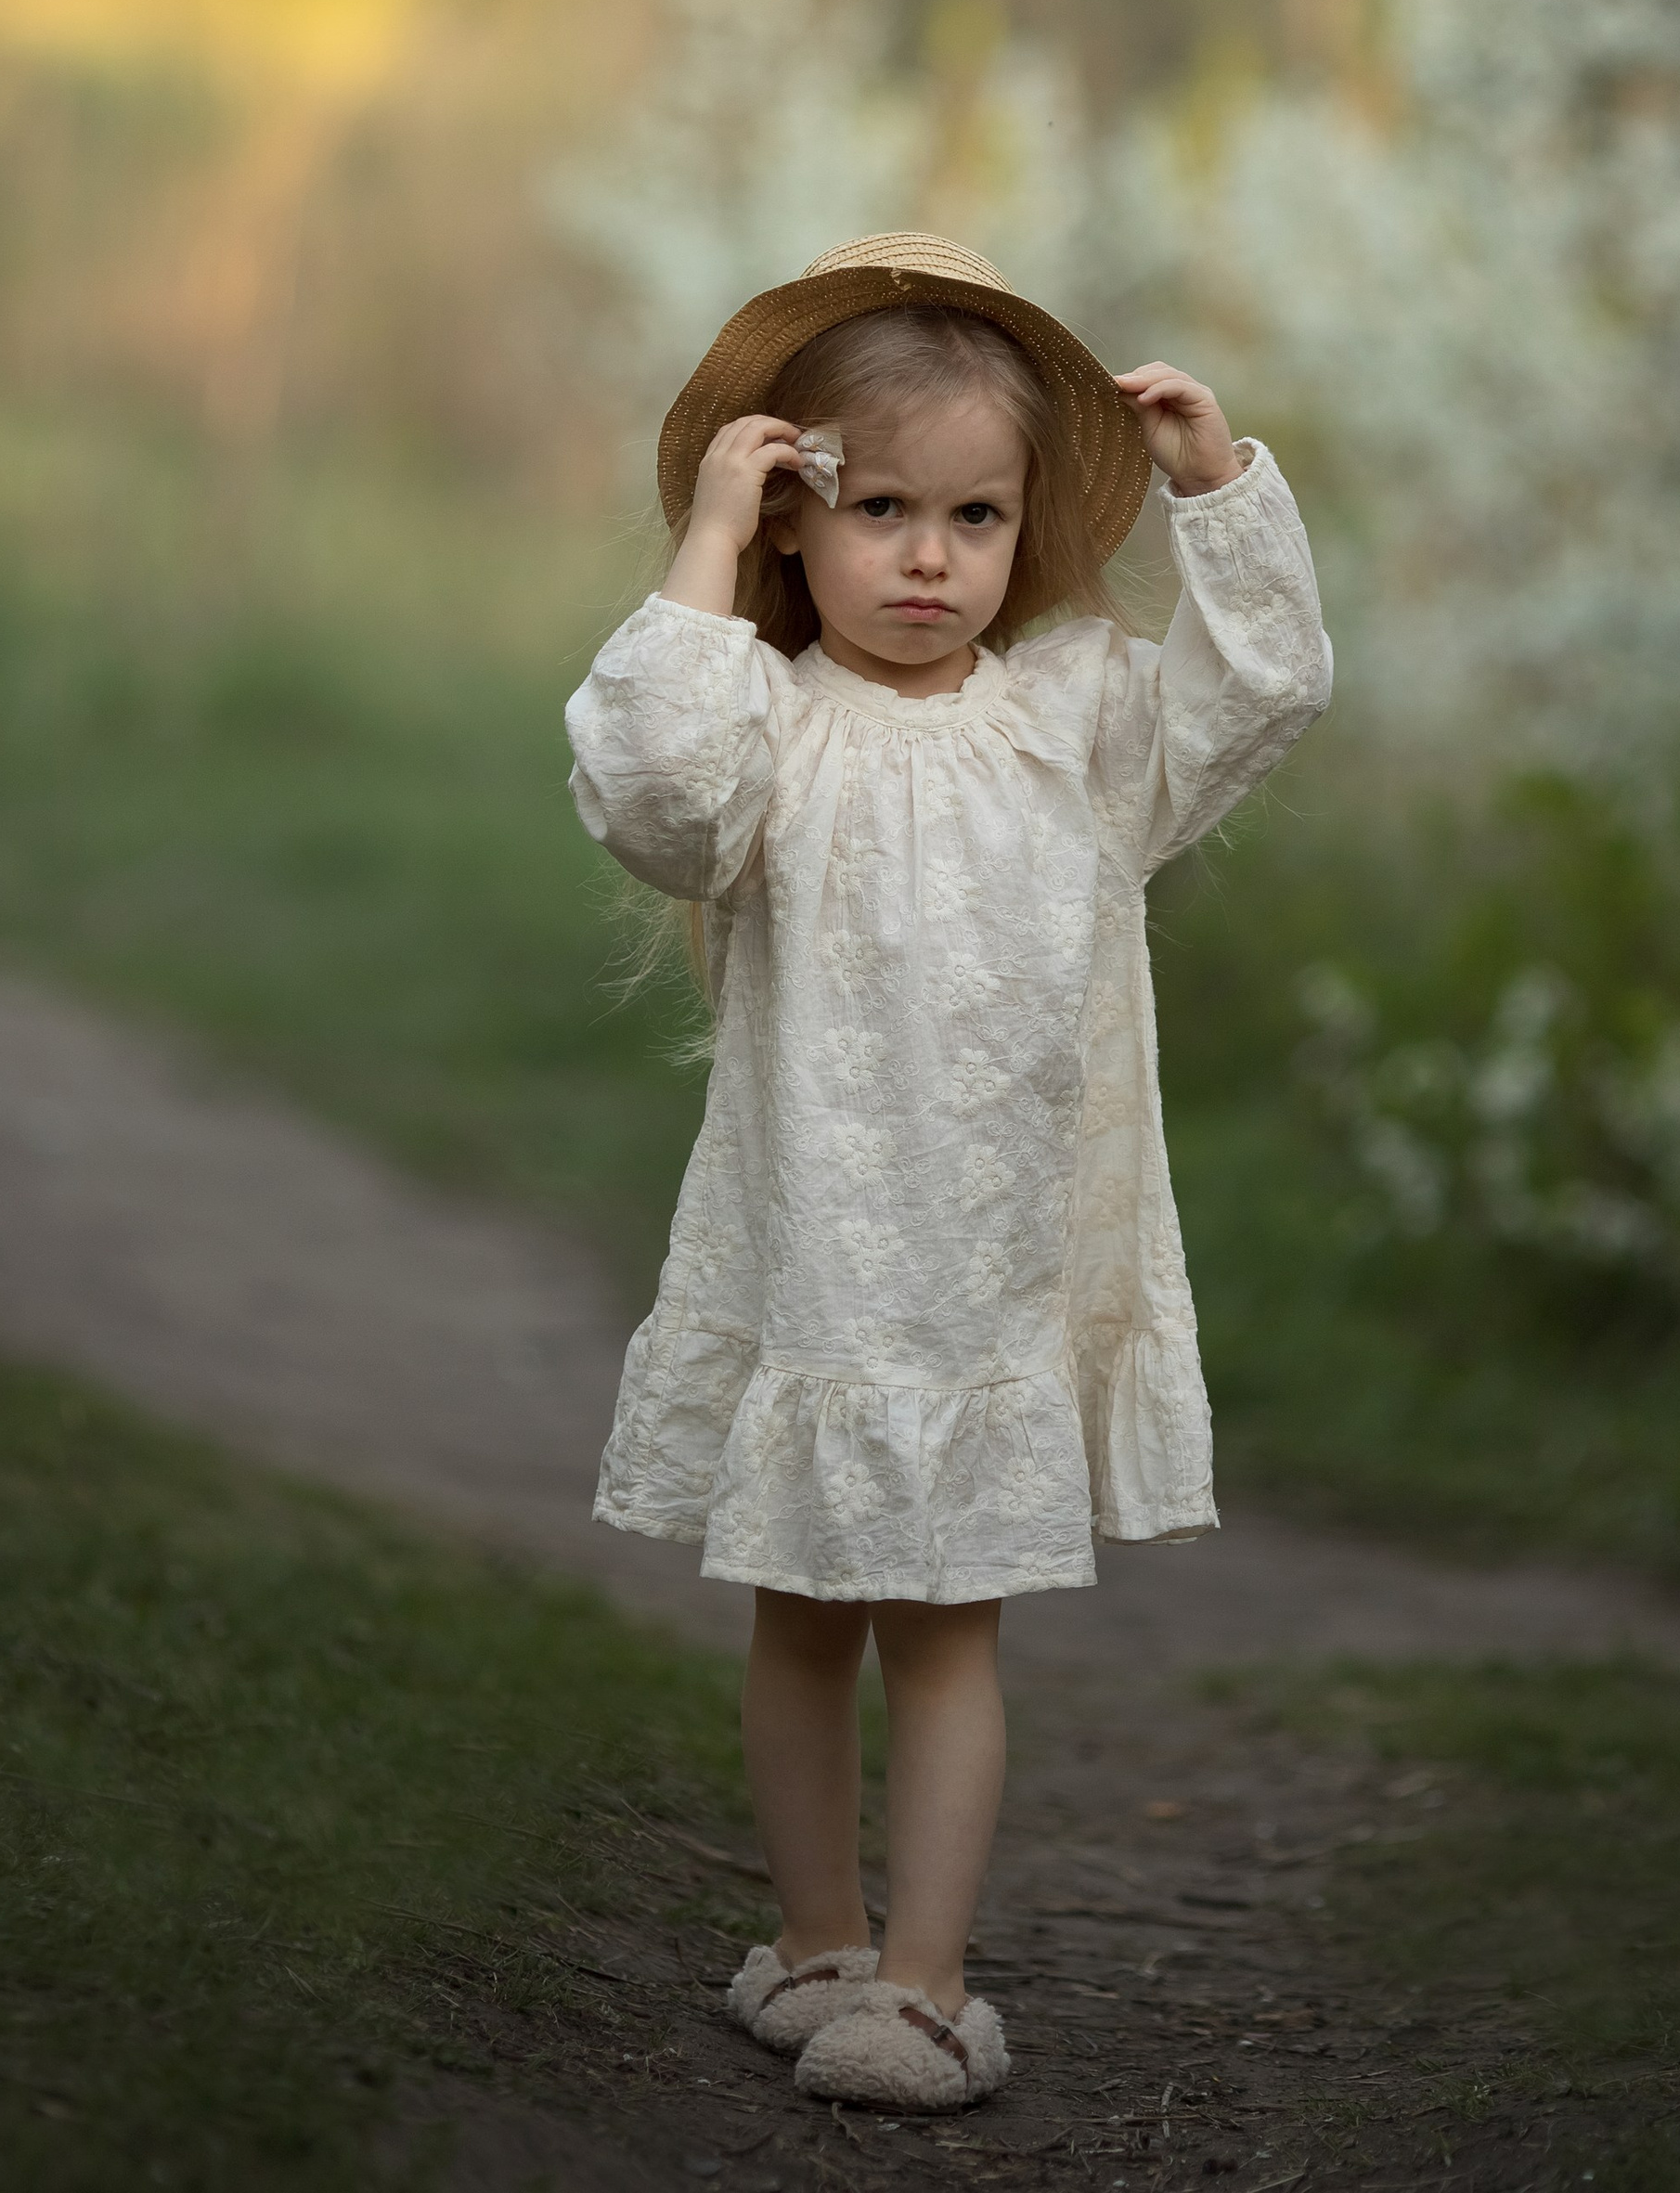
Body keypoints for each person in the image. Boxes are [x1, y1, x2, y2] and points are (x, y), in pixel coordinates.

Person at [563, 233, 1332, 2115]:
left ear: (1022, 530)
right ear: (796, 524)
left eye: (974, 514)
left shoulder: (1075, 717)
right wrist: (703, 534)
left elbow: (1265, 693)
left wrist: (1214, 493)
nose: (927, 555)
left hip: (982, 1279)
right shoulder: (762, 728)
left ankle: (921, 1982)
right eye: (877, 505)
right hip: (816, 1264)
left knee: (946, 1631)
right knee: (796, 1614)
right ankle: (816, 1935)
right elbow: (648, 785)